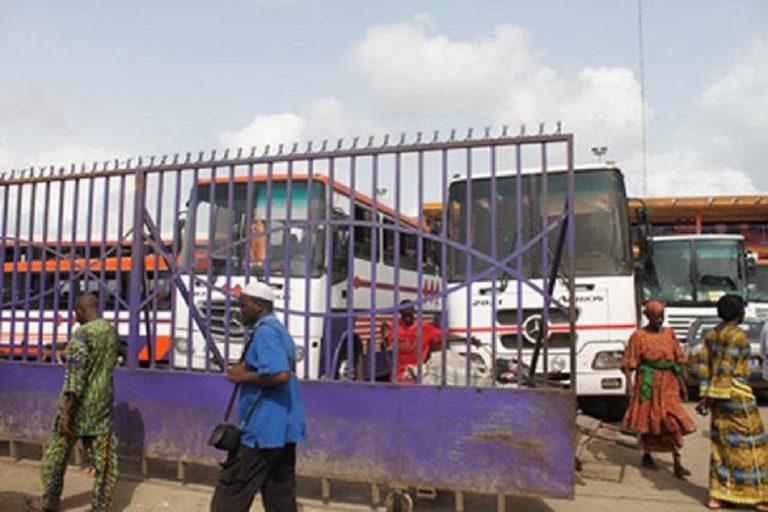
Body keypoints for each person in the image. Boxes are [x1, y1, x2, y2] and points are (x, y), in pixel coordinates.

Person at [210, 281, 306, 512]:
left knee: (231, 492)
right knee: (279, 495)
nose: (240, 311)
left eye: (243, 306)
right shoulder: (278, 330)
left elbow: (280, 374)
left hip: (262, 429)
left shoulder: (265, 333)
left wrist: (242, 376)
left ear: (259, 306)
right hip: (283, 429)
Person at [26, 294, 120, 512]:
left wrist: (67, 411)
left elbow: (75, 378)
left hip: (78, 408)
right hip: (102, 406)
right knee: (104, 462)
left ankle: (49, 502)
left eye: (76, 311)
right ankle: (100, 507)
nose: (75, 316)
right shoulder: (110, 331)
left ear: (82, 310)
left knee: (55, 458)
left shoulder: (81, 335)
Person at [697, 294, 768, 510]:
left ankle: (719, 495)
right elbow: (725, 368)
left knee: (722, 445)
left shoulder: (712, 334)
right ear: (740, 313)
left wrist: (705, 396)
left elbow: (704, 366)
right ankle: (759, 496)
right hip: (736, 394)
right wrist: (713, 394)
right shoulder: (738, 336)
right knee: (753, 445)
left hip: (717, 400)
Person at [620, 300, 695, 479]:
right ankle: (647, 454)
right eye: (655, 317)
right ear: (648, 317)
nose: (659, 320)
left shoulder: (669, 334)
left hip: (669, 384)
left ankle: (677, 461)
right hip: (648, 383)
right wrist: (630, 386)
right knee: (650, 420)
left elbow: (678, 359)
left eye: (661, 316)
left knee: (671, 422)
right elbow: (629, 363)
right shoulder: (639, 336)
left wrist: (683, 385)